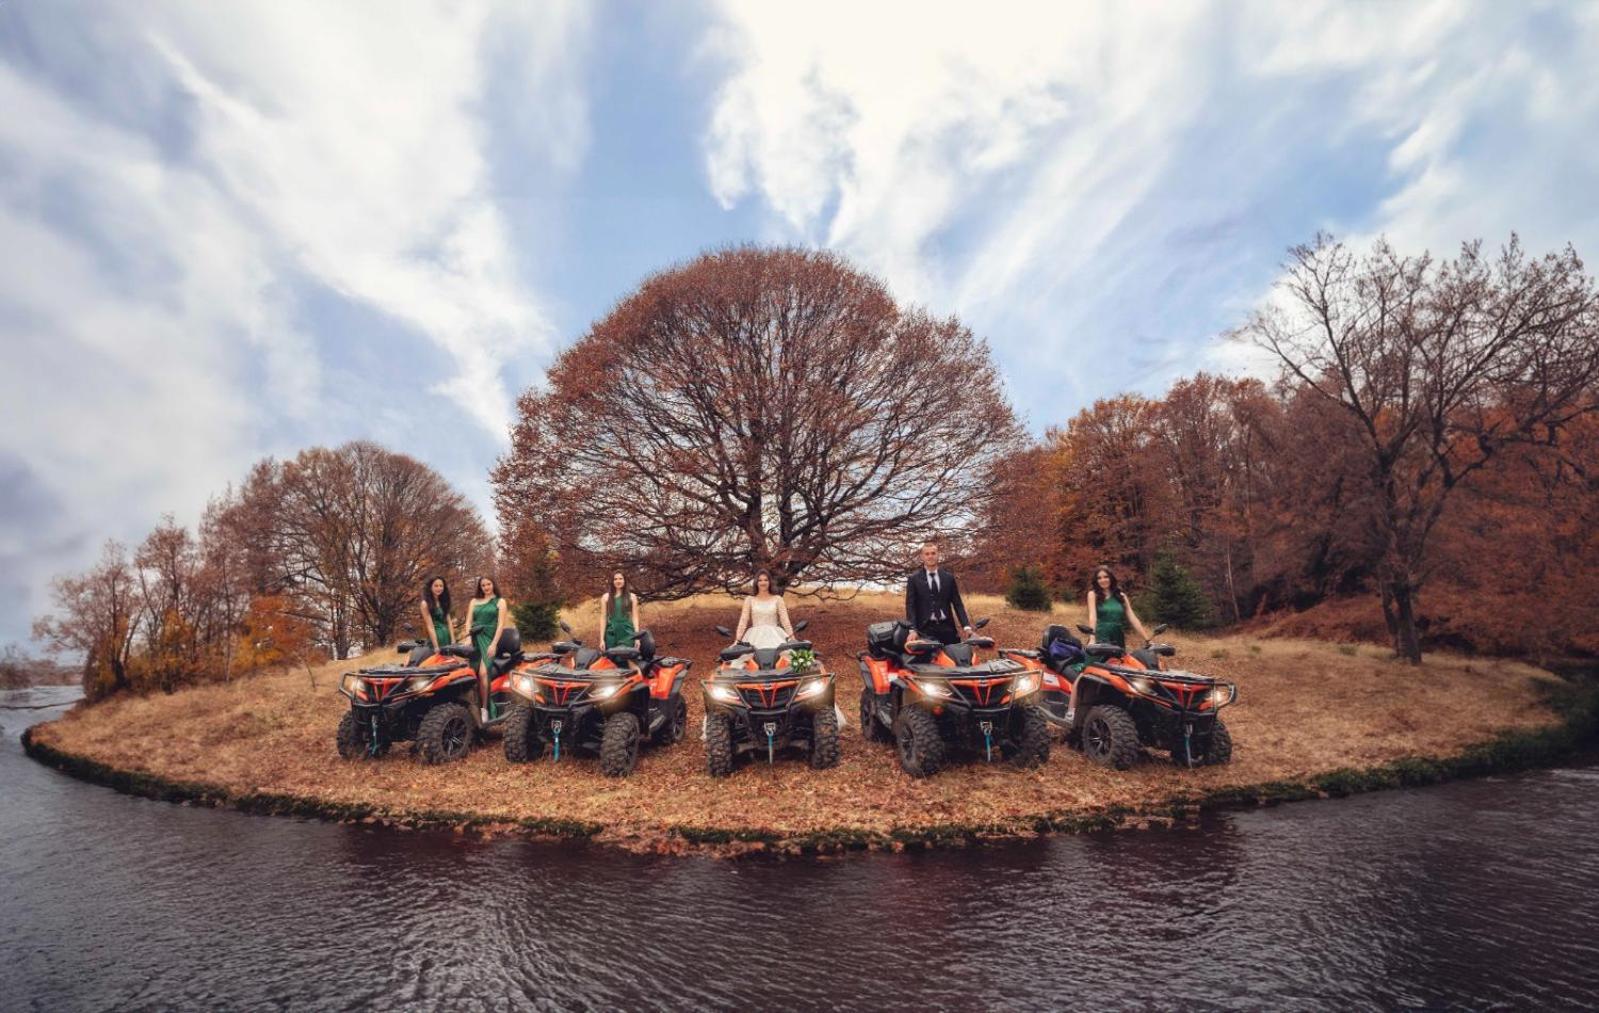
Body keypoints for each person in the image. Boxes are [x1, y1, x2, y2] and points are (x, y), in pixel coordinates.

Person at [905, 540, 972, 646]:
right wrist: (912, 629)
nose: (930, 556)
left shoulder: (948, 578)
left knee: (953, 660)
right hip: (925, 629)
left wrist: (966, 626)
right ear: (922, 557)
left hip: (948, 628)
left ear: (938, 555)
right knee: (930, 661)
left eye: (933, 553)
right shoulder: (914, 579)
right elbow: (910, 606)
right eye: (927, 554)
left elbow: (957, 603)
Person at [467, 576, 510, 722]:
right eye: (483, 585)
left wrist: (494, 644)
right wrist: (468, 637)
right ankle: (472, 709)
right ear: (480, 587)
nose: (486, 587)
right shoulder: (474, 601)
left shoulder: (500, 601)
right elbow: (468, 621)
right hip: (474, 638)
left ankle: (485, 710)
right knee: (471, 674)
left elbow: (500, 625)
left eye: (488, 584)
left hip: (489, 639)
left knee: (484, 673)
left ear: (493, 584)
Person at [1086, 565, 1151, 648]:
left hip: (1117, 636)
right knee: (1096, 660)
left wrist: (1147, 639)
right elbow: (1092, 617)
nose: (1103, 580)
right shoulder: (1093, 594)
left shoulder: (1121, 596)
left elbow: (1133, 618)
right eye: (1099, 578)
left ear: (1111, 578)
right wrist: (1092, 638)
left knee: (1118, 660)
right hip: (1100, 636)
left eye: (1106, 577)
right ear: (1096, 580)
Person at [734, 569, 793, 649]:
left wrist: (792, 637)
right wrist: (738, 639)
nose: (763, 583)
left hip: (775, 636)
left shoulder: (778, 599)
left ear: (769, 582)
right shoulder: (750, 599)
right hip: (755, 637)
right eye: (760, 580)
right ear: (756, 583)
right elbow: (743, 621)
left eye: (766, 580)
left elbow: (785, 620)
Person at [599, 571, 640, 650]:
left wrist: (637, 637)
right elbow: (603, 618)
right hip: (611, 633)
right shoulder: (605, 597)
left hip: (627, 633)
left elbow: (635, 618)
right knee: (612, 659)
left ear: (624, 580)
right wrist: (601, 639)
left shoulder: (632, 597)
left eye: (621, 578)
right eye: (615, 579)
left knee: (627, 659)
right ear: (612, 581)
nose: (618, 581)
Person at [418, 576, 456, 653]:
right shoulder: (425, 604)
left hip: (446, 635)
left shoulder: (443, 602)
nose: (439, 588)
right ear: (430, 587)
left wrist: (452, 639)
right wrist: (436, 646)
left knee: (449, 660)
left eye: (441, 586)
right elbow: (430, 626)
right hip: (436, 637)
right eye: (436, 586)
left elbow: (449, 622)